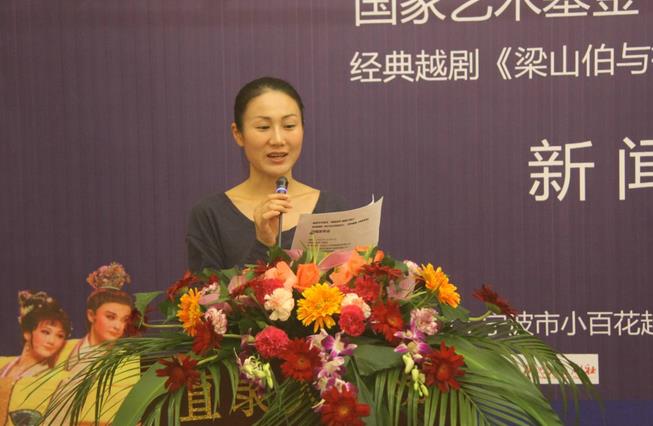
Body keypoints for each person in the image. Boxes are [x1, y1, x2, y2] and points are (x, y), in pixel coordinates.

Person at [187, 76, 347, 272]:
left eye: (289, 126)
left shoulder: (334, 209)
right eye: (263, 127)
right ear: (238, 134)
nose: (278, 140)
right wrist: (262, 244)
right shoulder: (211, 215)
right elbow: (206, 290)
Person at [0, 291, 71, 425]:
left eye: (60, 336)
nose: (52, 341)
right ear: (27, 333)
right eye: (46, 332)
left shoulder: (59, 380)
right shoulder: (2, 364)